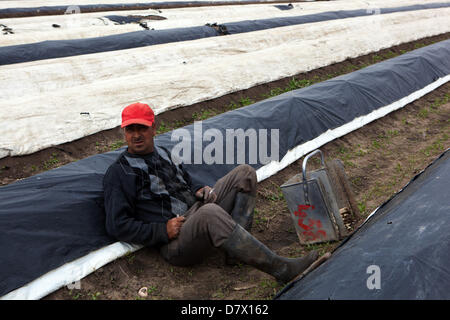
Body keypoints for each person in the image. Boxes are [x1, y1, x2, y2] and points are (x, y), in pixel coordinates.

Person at [103, 102, 318, 283]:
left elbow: (184, 178)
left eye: (142, 128)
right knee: (210, 213)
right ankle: (282, 270)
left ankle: (235, 254)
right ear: (124, 132)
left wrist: (198, 189)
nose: (136, 135)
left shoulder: (163, 153)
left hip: (195, 213)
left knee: (245, 173)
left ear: (153, 128)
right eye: (131, 129)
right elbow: (117, 225)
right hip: (175, 243)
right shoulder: (119, 173)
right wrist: (161, 230)